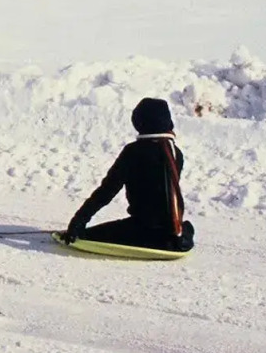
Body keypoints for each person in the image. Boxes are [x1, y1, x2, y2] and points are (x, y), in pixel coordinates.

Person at [62, 97, 195, 252]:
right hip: (173, 230)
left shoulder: (135, 152)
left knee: (86, 235)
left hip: (142, 230)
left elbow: (107, 191)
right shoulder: (175, 153)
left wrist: (78, 222)